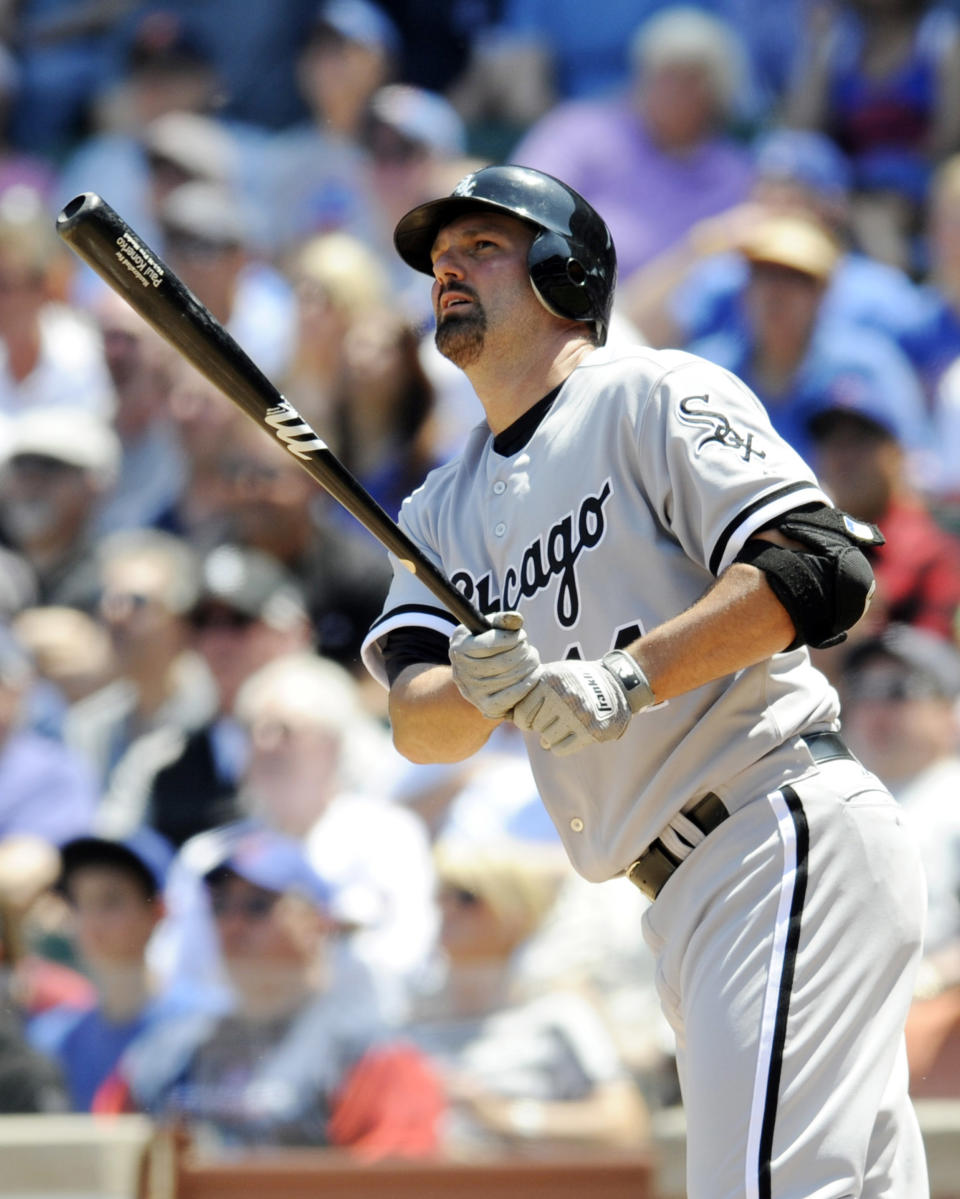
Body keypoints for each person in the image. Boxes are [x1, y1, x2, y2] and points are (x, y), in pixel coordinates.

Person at [360, 163, 930, 1196]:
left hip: (774, 824)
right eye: (440, 258)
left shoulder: (653, 391)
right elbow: (415, 721)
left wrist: (626, 677)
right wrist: (477, 688)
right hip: (681, 883)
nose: (447, 268)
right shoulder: (440, 505)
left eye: (481, 246)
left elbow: (819, 565)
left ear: (566, 274)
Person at [122, 824, 444, 1154]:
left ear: (317, 922)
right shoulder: (171, 1048)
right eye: (220, 907)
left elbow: (397, 1179)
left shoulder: (371, 1053)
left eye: (257, 906)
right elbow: (106, 1154)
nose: (233, 925)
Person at [26, 827, 184, 1112]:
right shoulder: (51, 1038)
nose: (90, 920)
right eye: (77, 902)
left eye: (110, 901)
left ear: (159, 911)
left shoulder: (203, 1026)